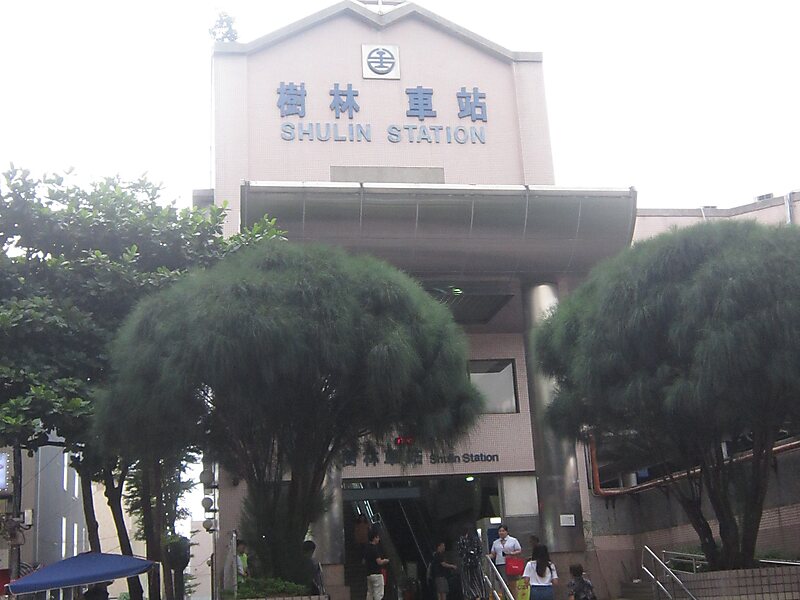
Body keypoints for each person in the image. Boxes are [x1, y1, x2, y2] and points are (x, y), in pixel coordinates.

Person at [489, 525, 522, 598]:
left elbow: (519, 550)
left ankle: (514, 598)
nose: (501, 532)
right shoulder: (495, 542)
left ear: (506, 532)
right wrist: (488, 557)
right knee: (502, 584)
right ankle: (505, 597)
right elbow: (493, 554)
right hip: (500, 564)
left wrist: (511, 553)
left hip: (510, 563)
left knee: (512, 584)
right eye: (500, 531)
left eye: (503, 531)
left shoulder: (513, 540)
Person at [456, 527, 487, 600]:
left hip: (466, 564)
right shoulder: (476, 540)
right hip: (476, 563)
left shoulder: (461, 540)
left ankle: (472, 595)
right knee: (478, 580)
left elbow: (460, 553)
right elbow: (480, 551)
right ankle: (480, 595)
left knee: (468, 581)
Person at [365, 529, 389, 600]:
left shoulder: (367, 548)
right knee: (378, 594)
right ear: (374, 538)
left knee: (370, 593)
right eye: (377, 537)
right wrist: (385, 560)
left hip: (369, 574)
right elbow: (379, 562)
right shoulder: (375, 548)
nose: (379, 539)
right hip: (377, 574)